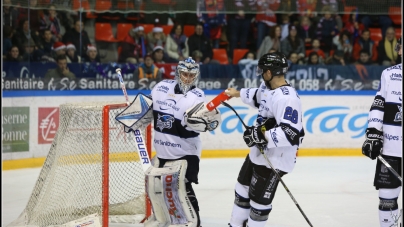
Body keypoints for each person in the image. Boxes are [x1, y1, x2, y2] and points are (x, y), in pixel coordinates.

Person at [225, 51, 304, 227]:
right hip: (259, 152)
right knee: (241, 189)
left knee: (258, 204)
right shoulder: (268, 88)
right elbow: (257, 95)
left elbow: (292, 133)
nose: (261, 74)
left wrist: (260, 135)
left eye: (262, 71)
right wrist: (237, 93)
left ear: (269, 72)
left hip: (276, 158)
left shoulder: (287, 98)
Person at [148, 57, 221, 227]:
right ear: (177, 73)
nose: (187, 78)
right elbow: (148, 110)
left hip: (187, 151)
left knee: (183, 188)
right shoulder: (160, 87)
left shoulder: (197, 96)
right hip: (163, 151)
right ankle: (167, 220)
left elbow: (198, 124)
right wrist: (135, 117)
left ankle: (195, 222)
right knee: (159, 188)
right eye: (184, 74)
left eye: (191, 75)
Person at [361, 37, 401, 227]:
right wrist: (373, 133)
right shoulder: (389, 74)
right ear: (399, 50)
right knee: (386, 198)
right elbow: (378, 104)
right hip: (391, 148)